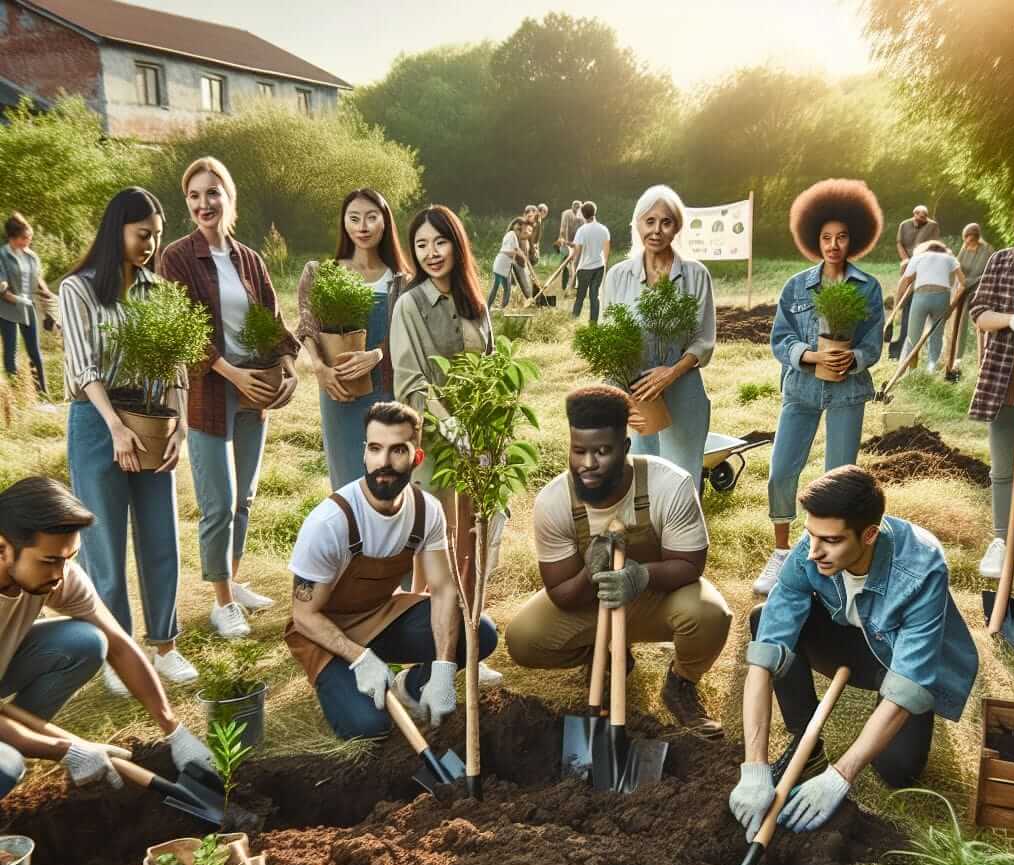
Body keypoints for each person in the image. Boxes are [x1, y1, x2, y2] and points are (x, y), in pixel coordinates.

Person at [731, 467, 977, 838]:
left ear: (869, 535)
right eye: (811, 535)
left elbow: (909, 681)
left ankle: (857, 745)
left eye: (830, 540)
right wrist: (754, 767)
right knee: (763, 618)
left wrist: (842, 774)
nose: (814, 552)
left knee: (898, 770)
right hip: (850, 638)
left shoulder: (922, 568)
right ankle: (806, 744)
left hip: (898, 658)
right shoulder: (810, 550)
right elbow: (765, 658)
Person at [505, 385, 732, 738]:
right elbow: (562, 594)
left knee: (710, 615)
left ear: (625, 449)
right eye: (579, 451)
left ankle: (681, 684)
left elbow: (689, 566)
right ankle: (610, 656)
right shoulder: (553, 501)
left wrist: (638, 575)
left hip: (659, 594)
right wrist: (588, 572)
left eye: (602, 452)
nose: (588, 464)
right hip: (592, 601)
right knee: (524, 639)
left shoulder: (669, 485)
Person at [285, 401, 498, 738]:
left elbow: (443, 590)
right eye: (375, 448)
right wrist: (359, 658)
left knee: (480, 632)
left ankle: (412, 685)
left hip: (382, 617)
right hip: (325, 636)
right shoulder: (330, 523)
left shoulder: (426, 511)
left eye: (397, 450)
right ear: (364, 454)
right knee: (370, 727)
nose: (384, 462)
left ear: (417, 457)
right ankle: (343, 685)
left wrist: (442, 669)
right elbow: (303, 617)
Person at [0, 477, 215, 799]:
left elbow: (118, 645)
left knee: (86, 641)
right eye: (49, 561)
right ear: (3, 548)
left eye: (68, 558)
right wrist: (66, 749)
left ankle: (15, 737)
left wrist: (174, 729)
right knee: (7, 766)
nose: (60, 575)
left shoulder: (58, 576)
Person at [60, 187, 196, 690]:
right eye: (143, 235)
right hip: (98, 424)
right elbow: (82, 367)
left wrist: (179, 423)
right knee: (105, 545)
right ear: (116, 229)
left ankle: (166, 646)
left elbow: (175, 363)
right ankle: (119, 652)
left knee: (161, 537)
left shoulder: (158, 290)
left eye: (156, 237)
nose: (150, 245)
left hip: (154, 416)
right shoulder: (77, 290)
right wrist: (115, 426)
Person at [162, 157, 299, 639]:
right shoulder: (176, 258)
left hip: (254, 391)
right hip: (209, 392)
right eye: (195, 196)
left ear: (228, 198)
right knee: (218, 501)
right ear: (188, 203)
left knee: (244, 497)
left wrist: (287, 367)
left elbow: (273, 318)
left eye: (212, 193)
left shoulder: (249, 259)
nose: (204, 203)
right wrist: (230, 373)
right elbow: (183, 330)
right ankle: (221, 603)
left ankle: (233, 580)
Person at [754, 179, 884, 596]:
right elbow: (780, 338)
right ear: (815, 239)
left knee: (839, 477)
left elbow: (873, 342)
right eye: (826, 238)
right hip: (801, 390)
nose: (833, 245)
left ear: (854, 239)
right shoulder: (796, 286)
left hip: (848, 392)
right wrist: (810, 356)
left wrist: (855, 358)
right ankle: (780, 553)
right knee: (781, 471)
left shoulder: (868, 287)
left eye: (842, 237)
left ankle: (833, 561)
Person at [389, 204, 503, 685]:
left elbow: (495, 370)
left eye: (440, 242)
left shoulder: (475, 303)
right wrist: (448, 422)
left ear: (457, 244)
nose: (432, 253)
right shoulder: (409, 306)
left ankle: (468, 654)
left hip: (479, 442)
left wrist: (492, 433)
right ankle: (424, 659)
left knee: (473, 548)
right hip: (436, 446)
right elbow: (410, 379)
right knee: (439, 554)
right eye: (421, 245)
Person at [297, 188, 411, 490]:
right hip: (339, 390)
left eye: (371, 217)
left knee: (385, 477)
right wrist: (320, 369)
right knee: (346, 478)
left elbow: (407, 334)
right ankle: (351, 537)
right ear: (344, 224)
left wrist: (376, 355)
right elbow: (306, 326)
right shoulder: (323, 273)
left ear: (385, 223)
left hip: (386, 389)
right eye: (354, 218)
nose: (363, 226)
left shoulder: (401, 280)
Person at [604, 185, 716, 486]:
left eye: (665, 222)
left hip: (684, 388)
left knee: (683, 480)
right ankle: (648, 535)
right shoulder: (618, 276)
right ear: (637, 224)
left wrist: (671, 373)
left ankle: (683, 534)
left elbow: (704, 340)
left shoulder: (695, 275)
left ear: (676, 227)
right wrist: (621, 400)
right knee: (642, 479)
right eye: (649, 221)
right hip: (636, 391)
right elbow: (609, 341)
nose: (656, 230)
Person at [968, 194, 1014, 579]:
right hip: (1005, 380)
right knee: (1003, 469)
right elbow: (979, 312)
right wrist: (1011, 319)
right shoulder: (1002, 260)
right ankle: (1003, 542)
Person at [0, 212, 57, 407]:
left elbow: (38, 278)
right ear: (13, 238)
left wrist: (48, 294)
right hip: (7, 309)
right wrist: (15, 298)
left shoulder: (32, 256)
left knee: (35, 351)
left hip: (28, 306)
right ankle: (15, 398)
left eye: (30, 237)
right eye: (25, 238)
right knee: (11, 352)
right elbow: (2, 287)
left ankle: (43, 395)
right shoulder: (2, 255)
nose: (29, 241)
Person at [896, 240, 965, 371]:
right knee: (936, 336)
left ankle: (909, 371)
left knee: (912, 337)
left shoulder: (918, 257)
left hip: (921, 296)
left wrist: (898, 305)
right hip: (942, 298)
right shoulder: (950, 258)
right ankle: (931, 369)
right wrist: (952, 305)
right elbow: (963, 283)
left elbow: (904, 281)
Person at [894, 204, 941, 353]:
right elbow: (899, 243)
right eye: (920, 217)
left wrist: (920, 262)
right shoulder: (904, 225)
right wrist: (906, 260)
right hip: (907, 264)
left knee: (920, 299)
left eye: (925, 217)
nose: (923, 220)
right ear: (914, 214)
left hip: (925, 263)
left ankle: (922, 341)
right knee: (907, 298)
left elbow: (934, 246)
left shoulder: (932, 226)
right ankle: (900, 310)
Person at [949, 223, 994, 365]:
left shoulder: (987, 250)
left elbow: (987, 274)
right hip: (963, 289)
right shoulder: (964, 249)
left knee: (980, 322)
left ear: (975, 237)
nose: (967, 241)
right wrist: (961, 284)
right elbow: (958, 268)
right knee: (959, 323)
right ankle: (957, 357)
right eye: (965, 238)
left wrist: (967, 283)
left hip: (979, 289)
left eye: (969, 238)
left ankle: (984, 356)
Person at [572, 202, 611, 323]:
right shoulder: (604, 229)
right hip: (599, 267)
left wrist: (573, 266)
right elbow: (606, 252)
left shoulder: (582, 230)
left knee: (580, 297)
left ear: (583, 215)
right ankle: (593, 324)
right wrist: (604, 268)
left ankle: (573, 320)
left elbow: (577, 252)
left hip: (584, 268)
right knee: (595, 297)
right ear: (595, 212)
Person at [488, 217, 527, 310]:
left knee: (505, 288)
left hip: (504, 265)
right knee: (499, 287)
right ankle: (491, 307)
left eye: (521, 226)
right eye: (518, 224)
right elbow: (509, 250)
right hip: (501, 264)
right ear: (514, 225)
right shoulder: (511, 234)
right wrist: (521, 255)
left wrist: (521, 255)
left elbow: (516, 250)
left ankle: (498, 307)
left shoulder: (512, 236)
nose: (520, 227)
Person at [558, 200, 584, 291]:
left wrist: (578, 243)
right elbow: (563, 228)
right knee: (564, 264)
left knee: (577, 264)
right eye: (575, 206)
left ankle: (574, 285)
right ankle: (564, 286)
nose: (577, 208)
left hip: (577, 243)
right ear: (572, 206)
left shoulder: (582, 216)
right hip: (566, 242)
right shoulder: (567, 214)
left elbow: (583, 229)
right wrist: (566, 241)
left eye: (579, 207)